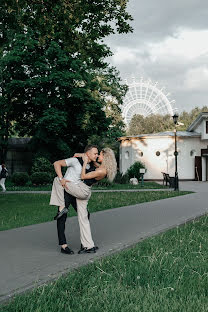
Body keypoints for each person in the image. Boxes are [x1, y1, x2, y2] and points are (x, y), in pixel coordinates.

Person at [50, 146, 117, 255]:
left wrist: (85, 161)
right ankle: (87, 245)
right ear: (89, 153)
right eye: (95, 154)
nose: (97, 156)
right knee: (83, 217)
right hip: (76, 191)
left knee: (58, 180)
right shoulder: (98, 166)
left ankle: (61, 208)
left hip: (81, 190)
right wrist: (82, 155)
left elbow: (83, 176)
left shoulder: (100, 170)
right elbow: (58, 163)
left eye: (98, 154)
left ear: (104, 157)